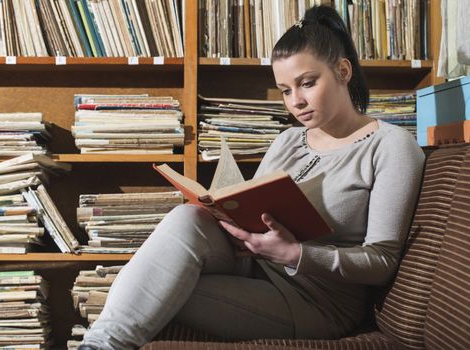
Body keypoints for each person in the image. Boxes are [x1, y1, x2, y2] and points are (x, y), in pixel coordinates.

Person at [79, 5, 425, 350]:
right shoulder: (289, 139)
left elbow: (381, 261)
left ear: (343, 71)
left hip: (315, 299)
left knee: (152, 287)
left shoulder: (391, 145)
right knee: (187, 217)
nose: (296, 102)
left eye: (307, 83)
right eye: (285, 90)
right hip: (254, 268)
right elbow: (252, 210)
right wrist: (225, 216)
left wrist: (294, 253)